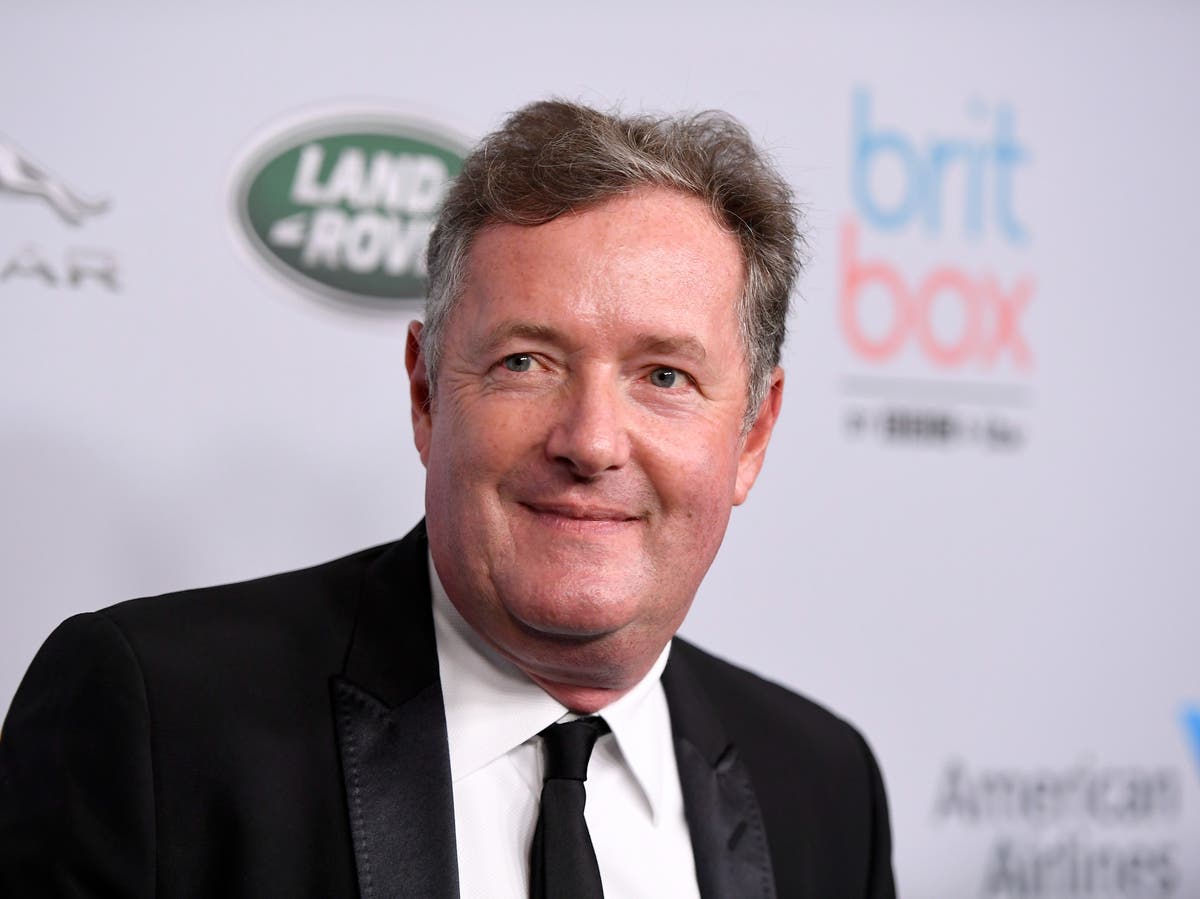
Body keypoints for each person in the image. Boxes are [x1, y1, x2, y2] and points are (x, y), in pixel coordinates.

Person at [0, 100, 896, 898]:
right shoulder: (155, 721)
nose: (590, 442)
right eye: (525, 362)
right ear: (426, 393)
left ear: (752, 434)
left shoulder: (824, 787)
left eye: (664, 375)